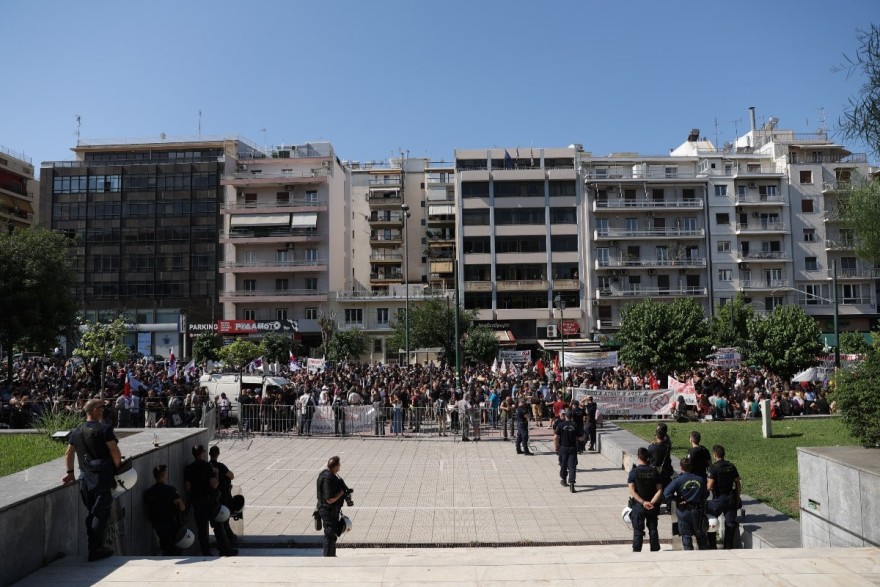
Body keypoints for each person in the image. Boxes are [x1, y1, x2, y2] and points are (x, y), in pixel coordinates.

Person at [62, 398, 123, 562]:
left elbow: (68, 453)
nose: (104, 410)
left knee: (93, 513)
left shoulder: (77, 431)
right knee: (101, 514)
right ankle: (96, 550)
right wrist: (118, 468)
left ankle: (94, 546)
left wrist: (70, 472)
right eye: (102, 407)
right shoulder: (104, 429)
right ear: (95, 410)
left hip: (84, 479)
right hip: (102, 478)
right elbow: (114, 451)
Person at [183, 444, 236, 557]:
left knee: (201, 528)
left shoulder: (188, 468)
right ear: (202, 453)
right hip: (209, 501)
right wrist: (216, 474)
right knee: (217, 525)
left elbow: (188, 487)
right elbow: (214, 484)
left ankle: (205, 551)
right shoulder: (207, 466)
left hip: (197, 502)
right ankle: (224, 549)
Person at [663, 456, 708, 551]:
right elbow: (706, 494)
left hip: (683, 511)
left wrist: (677, 499)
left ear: (681, 467)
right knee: (700, 534)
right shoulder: (700, 479)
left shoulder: (678, 480)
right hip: (697, 510)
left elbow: (666, 494)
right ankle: (705, 554)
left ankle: (689, 555)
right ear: (692, 467)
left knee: (686, 535)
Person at [143, 464, 186, 555]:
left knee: (165, 547)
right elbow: (182, 507)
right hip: (171, 525)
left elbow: (147, 510)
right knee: (175, 549)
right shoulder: (170, 490)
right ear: (163, 475)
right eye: (166, 473)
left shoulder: (148, 493)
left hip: (158, 525)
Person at [627, 447, 662, 552]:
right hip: (652, 505)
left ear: (638, 457)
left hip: (638, 505)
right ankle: (655, 550)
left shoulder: (634, 472)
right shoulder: (655, 471)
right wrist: (651, 502)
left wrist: (643, 502)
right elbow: (660, 490)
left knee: (638, 530)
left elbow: (632, 490)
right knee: (653, 528)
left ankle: (637, 550)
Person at [706, 444, 741, 550]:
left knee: (711, 520)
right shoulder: (731, 466)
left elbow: (710, 486)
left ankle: (712, 545)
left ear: (715, 455)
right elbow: (738, 483)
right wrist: (737, 496)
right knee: (730, 523)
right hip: (730, 497)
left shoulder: (714, 468)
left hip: (718, 499)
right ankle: (728, 546)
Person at [316, 455, 349, 557]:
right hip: (328, 510)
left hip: (330, 510)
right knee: (330, 535)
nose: (340, 466)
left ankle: (331, 555)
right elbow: (329, 500)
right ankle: (328, 558)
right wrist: (341, 493)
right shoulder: (328, 479)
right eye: (339, 464)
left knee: (332, 534)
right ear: (335, 466)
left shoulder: (329, 475)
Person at [208, 445, 237, 545]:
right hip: (223, 497)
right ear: (218, 454)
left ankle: (227, 540)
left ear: (209, 454)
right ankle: (228, 541)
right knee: (224, 521)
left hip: (212, 499)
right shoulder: (220, 466)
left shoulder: (207, 466)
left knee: (217, 522)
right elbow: (231, 475)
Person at [555, 409, 579, 492]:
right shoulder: (575, 425)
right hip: (572, 448)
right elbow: (580, 437)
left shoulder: (561, 425)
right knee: (572, 466)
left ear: (565, 416)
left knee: (563, 464)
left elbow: (555, 437)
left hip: (563, 447)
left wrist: (556, 447)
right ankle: (572, 483)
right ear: (572, 417)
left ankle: (564, 480)